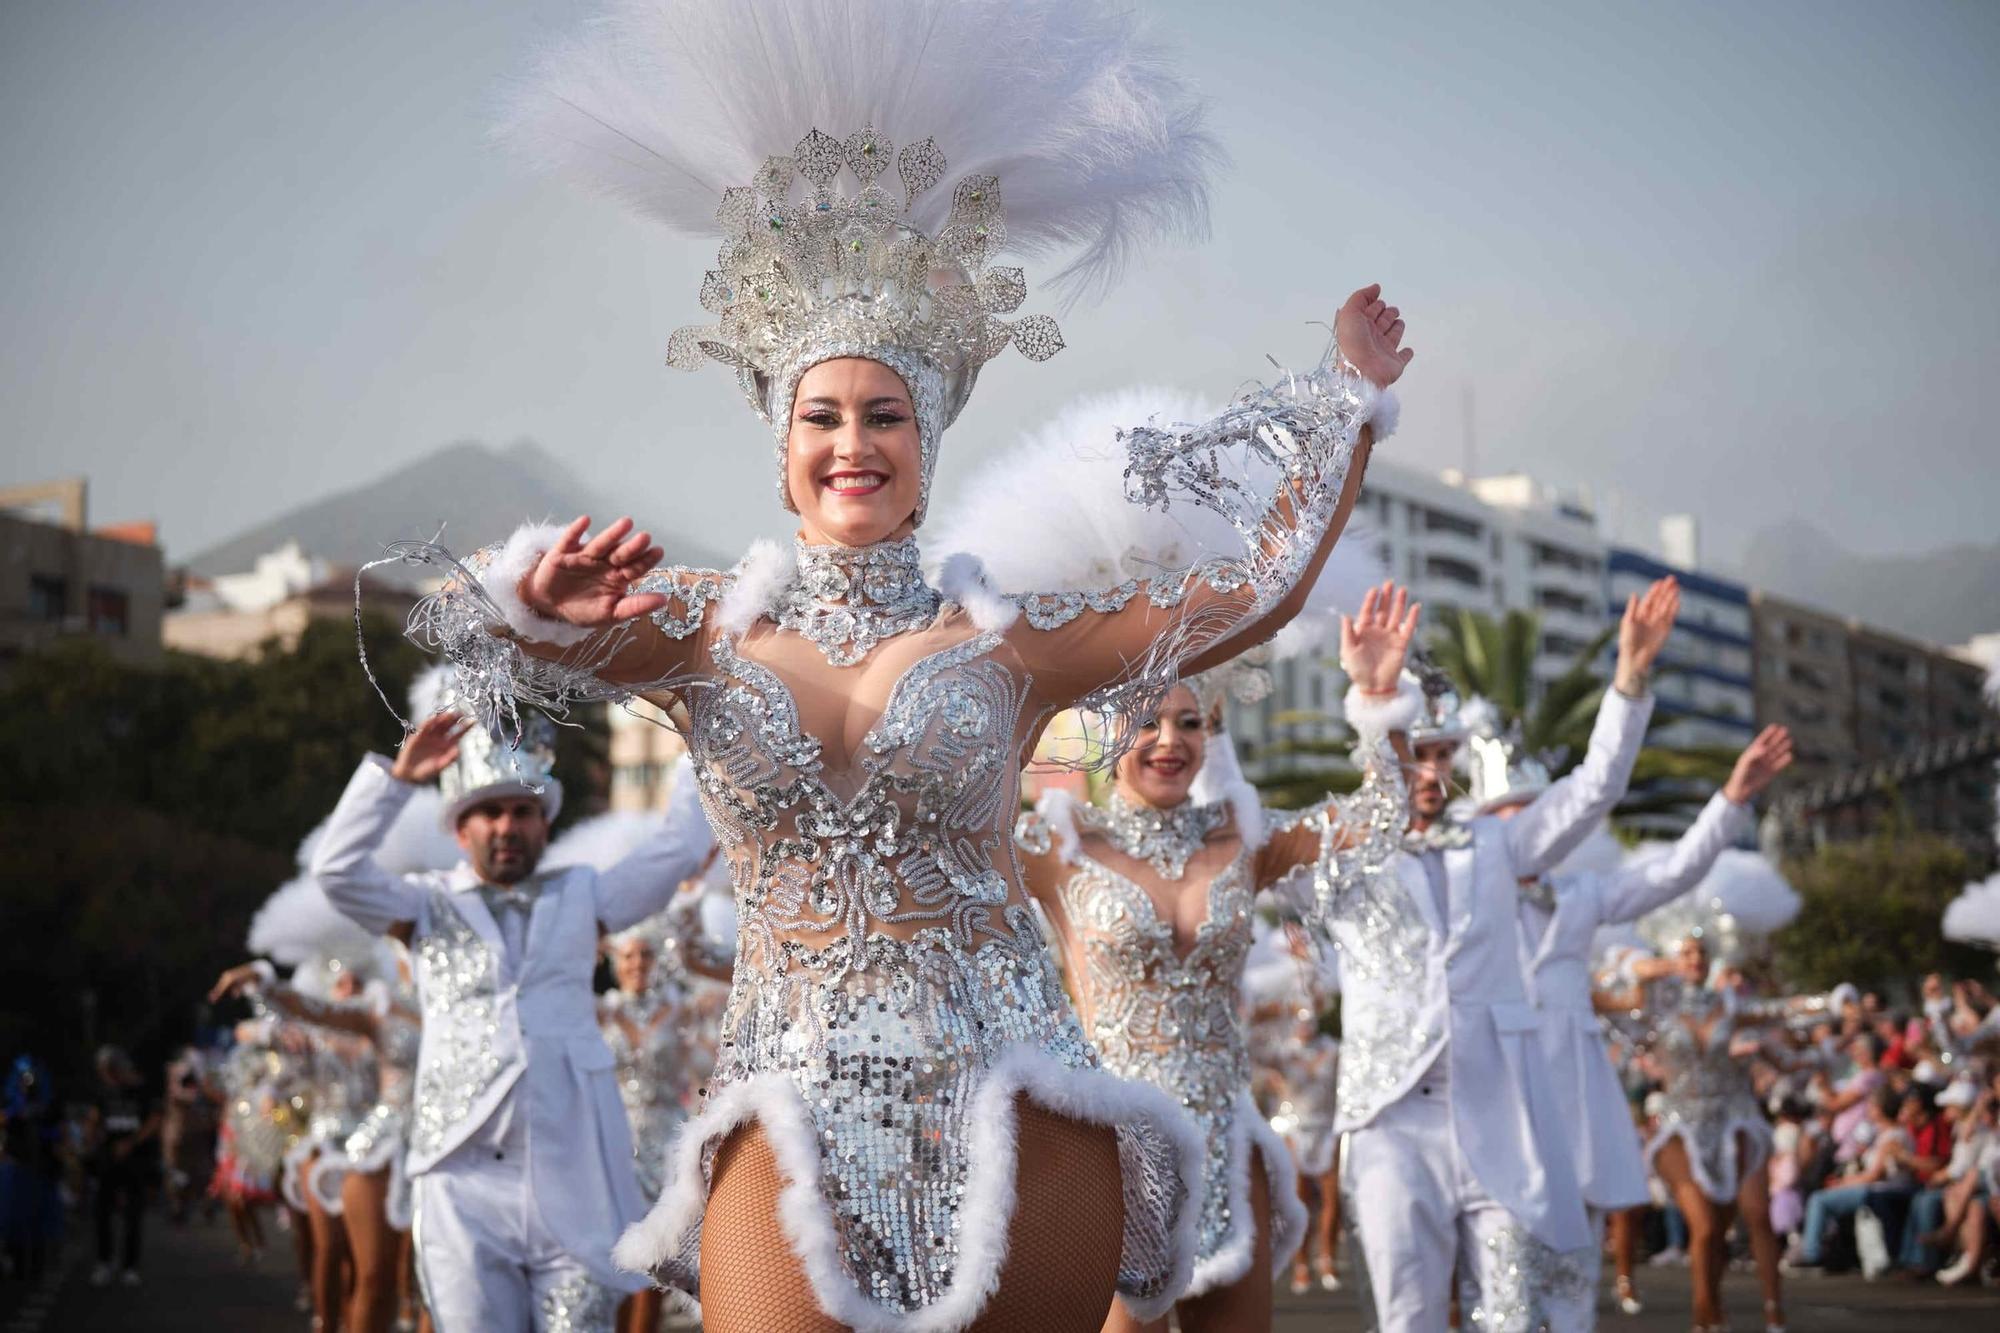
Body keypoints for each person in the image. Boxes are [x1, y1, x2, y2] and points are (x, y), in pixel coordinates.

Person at [395, 2, 1408, 1328]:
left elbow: (1248, 599)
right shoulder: (701, 627)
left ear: (926, 448)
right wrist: (528, 599)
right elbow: (456, 623)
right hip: (786, 1108)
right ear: (783, 450)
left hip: (1010, 1101)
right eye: (821, 415)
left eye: (885, 414)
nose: (852, 441)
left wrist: (1350, 408)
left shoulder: (1008, 641)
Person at [1013, 584, 1418, 1332]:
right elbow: (945, 841)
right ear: (1109, 732)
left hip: (1226, 1146)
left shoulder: (1243, 838)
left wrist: (1376, 697)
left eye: (1189, 721)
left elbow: (1379, 821)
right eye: (1146, 721)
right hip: (1113, 1156)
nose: (1169, 740)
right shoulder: (1058, 845)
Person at [1297, 579, 1674, 1333]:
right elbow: (1247, 849)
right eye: (1416, 753)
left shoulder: (1498, 843)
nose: (1430, 771)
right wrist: (1373, 698)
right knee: (1408, 1317)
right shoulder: (1338, 854)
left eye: (1443, 754)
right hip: (1393, 1120)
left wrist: (1629, 680)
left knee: (1512, 1315)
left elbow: (1593, 791)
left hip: (1499, 1111)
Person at [312, 689, 714, 1332]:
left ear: (543, 823)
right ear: (460, 828)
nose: (506, 826)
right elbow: (335, 872)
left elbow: (678, 849)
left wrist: (697, 740)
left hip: (573, 1173)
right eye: (490, 812)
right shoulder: (425, 904)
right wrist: (397, 782)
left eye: (522, 811)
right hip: (462, 1179)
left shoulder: (584, 894)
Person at [1493, 721, 1795, 1317]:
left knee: (1574, 1266)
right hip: (1499, 1101)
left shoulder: (1580, 895)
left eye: (1533, 812)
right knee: (1501, 1265)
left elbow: (1674, 871)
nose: (1525, 827)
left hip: (1574, 1103)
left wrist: (1732, 799)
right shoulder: (1463, 898)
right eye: (1509, 816)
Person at [1608, 938, 1845, 1333]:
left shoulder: (1730, 1007)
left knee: (1735, 1224)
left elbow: (1782, 1010)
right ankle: (1701, 1315)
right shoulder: (1653, 1009)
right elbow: (1609, 994)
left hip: (1732, 1125)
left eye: (1702, 952)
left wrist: (1834, 1003)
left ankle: (1763, 1312)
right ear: (1671, 958)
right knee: (1702, 1228)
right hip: (1679, 1129)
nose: (1695, 960)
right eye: (1686, 952)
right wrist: (1640, 966)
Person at [83, 1045, 160, 1288]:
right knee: (102, 1213)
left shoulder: (139, 1090)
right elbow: (94, 1118)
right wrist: (91, 1137)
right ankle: (104, 1262)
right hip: (107, 1158)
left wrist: (132, 1142)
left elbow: (154, 1120)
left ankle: (130, 1266)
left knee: (133, 1215)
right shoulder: (102, 1091)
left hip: (135, 1160)